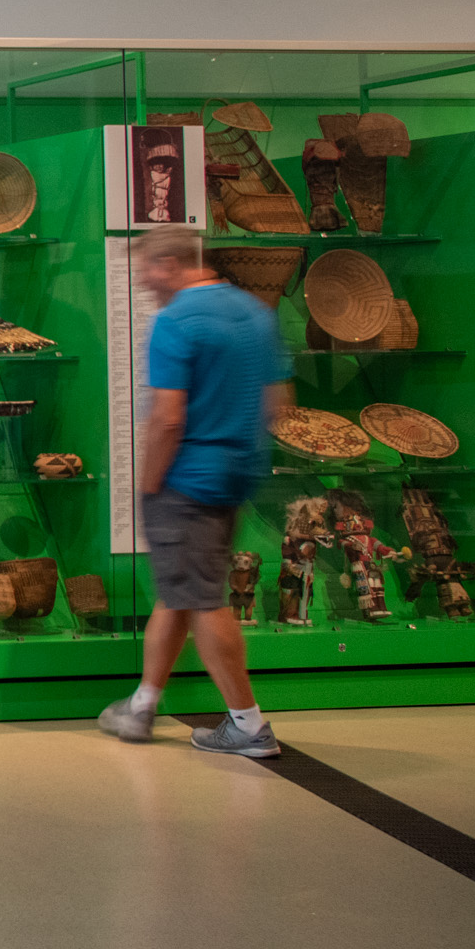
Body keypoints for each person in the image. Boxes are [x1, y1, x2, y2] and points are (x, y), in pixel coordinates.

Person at [99, 226, 293, 755]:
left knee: (204, 597)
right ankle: (142, 706)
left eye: (149, 275)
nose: (147, 287)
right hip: (234, 473)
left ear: (171, 263)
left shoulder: (177, 320)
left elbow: (167, 418)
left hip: (186, 480)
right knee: (181, 589)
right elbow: (279, 404)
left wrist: (150, 482)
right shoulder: (256, 314)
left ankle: (249, 724)